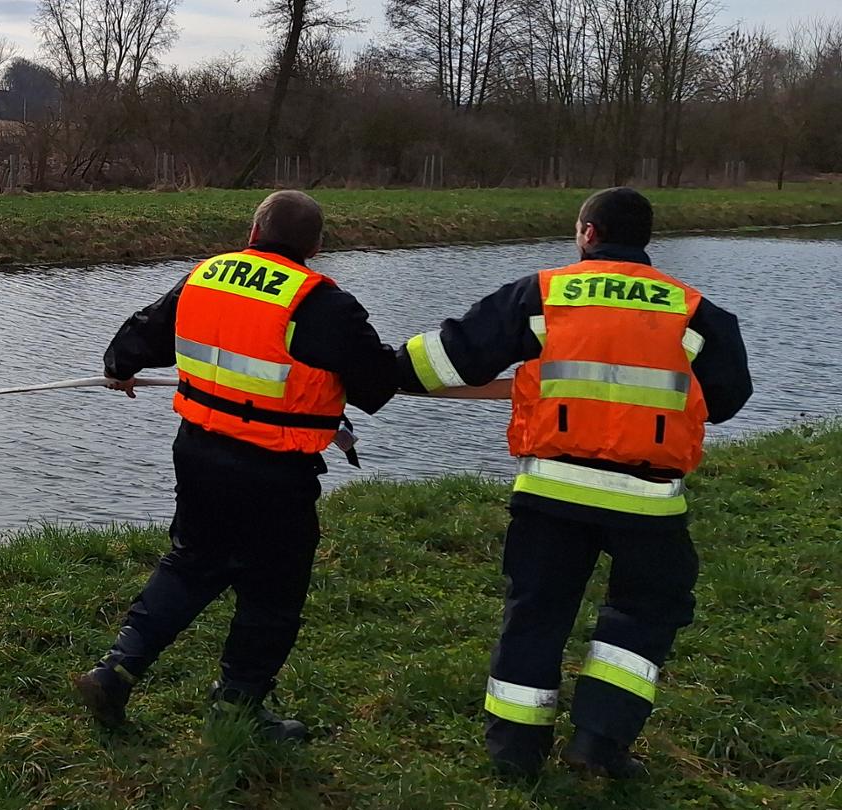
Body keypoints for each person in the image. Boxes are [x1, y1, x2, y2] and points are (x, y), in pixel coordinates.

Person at [396, 187, 751, 779]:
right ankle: (599, 742)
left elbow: (452, 357)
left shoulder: (543, 292)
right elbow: (727, 400)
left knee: (536, 612)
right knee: (642, 615)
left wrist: (377, 372)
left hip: (552, 490)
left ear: (588, 232)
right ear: (644, 239)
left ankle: (515, 755)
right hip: (648, 500)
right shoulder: (694, 310)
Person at [73, 190, 407, 740]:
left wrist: (120, 366)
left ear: (253, 231)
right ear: (316, 245)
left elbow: (142, 333)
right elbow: (375, 385)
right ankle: (239, 708)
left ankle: (116, 671)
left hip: (199, 450)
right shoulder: (320, 302)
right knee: (273, 590)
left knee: (190, 562)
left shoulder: (206, 276)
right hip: (275, 470)